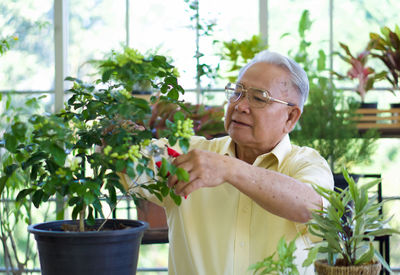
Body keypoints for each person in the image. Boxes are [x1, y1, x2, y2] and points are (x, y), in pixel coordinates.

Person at [122, 50, 334, 275]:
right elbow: (133, 161)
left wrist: (229, 169)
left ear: (290, 117)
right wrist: (121, 139)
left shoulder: (307, 164)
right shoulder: (189, 153)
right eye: (237, 92)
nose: (241, 105)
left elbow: (311, 208)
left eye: (259, 97)